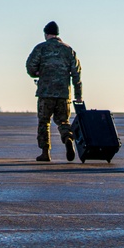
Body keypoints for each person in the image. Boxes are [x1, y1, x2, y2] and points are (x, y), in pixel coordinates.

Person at [25, 21, 82, 162]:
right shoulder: (68, 50)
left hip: (45, 93)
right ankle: (68, 138)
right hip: (63, 94)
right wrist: (78, 95)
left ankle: (45, 153)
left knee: (44, 122)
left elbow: (30, 66)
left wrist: (36, 73)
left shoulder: (41, 48)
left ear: (46, 33)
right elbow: (76, 73)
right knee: (63, 121)